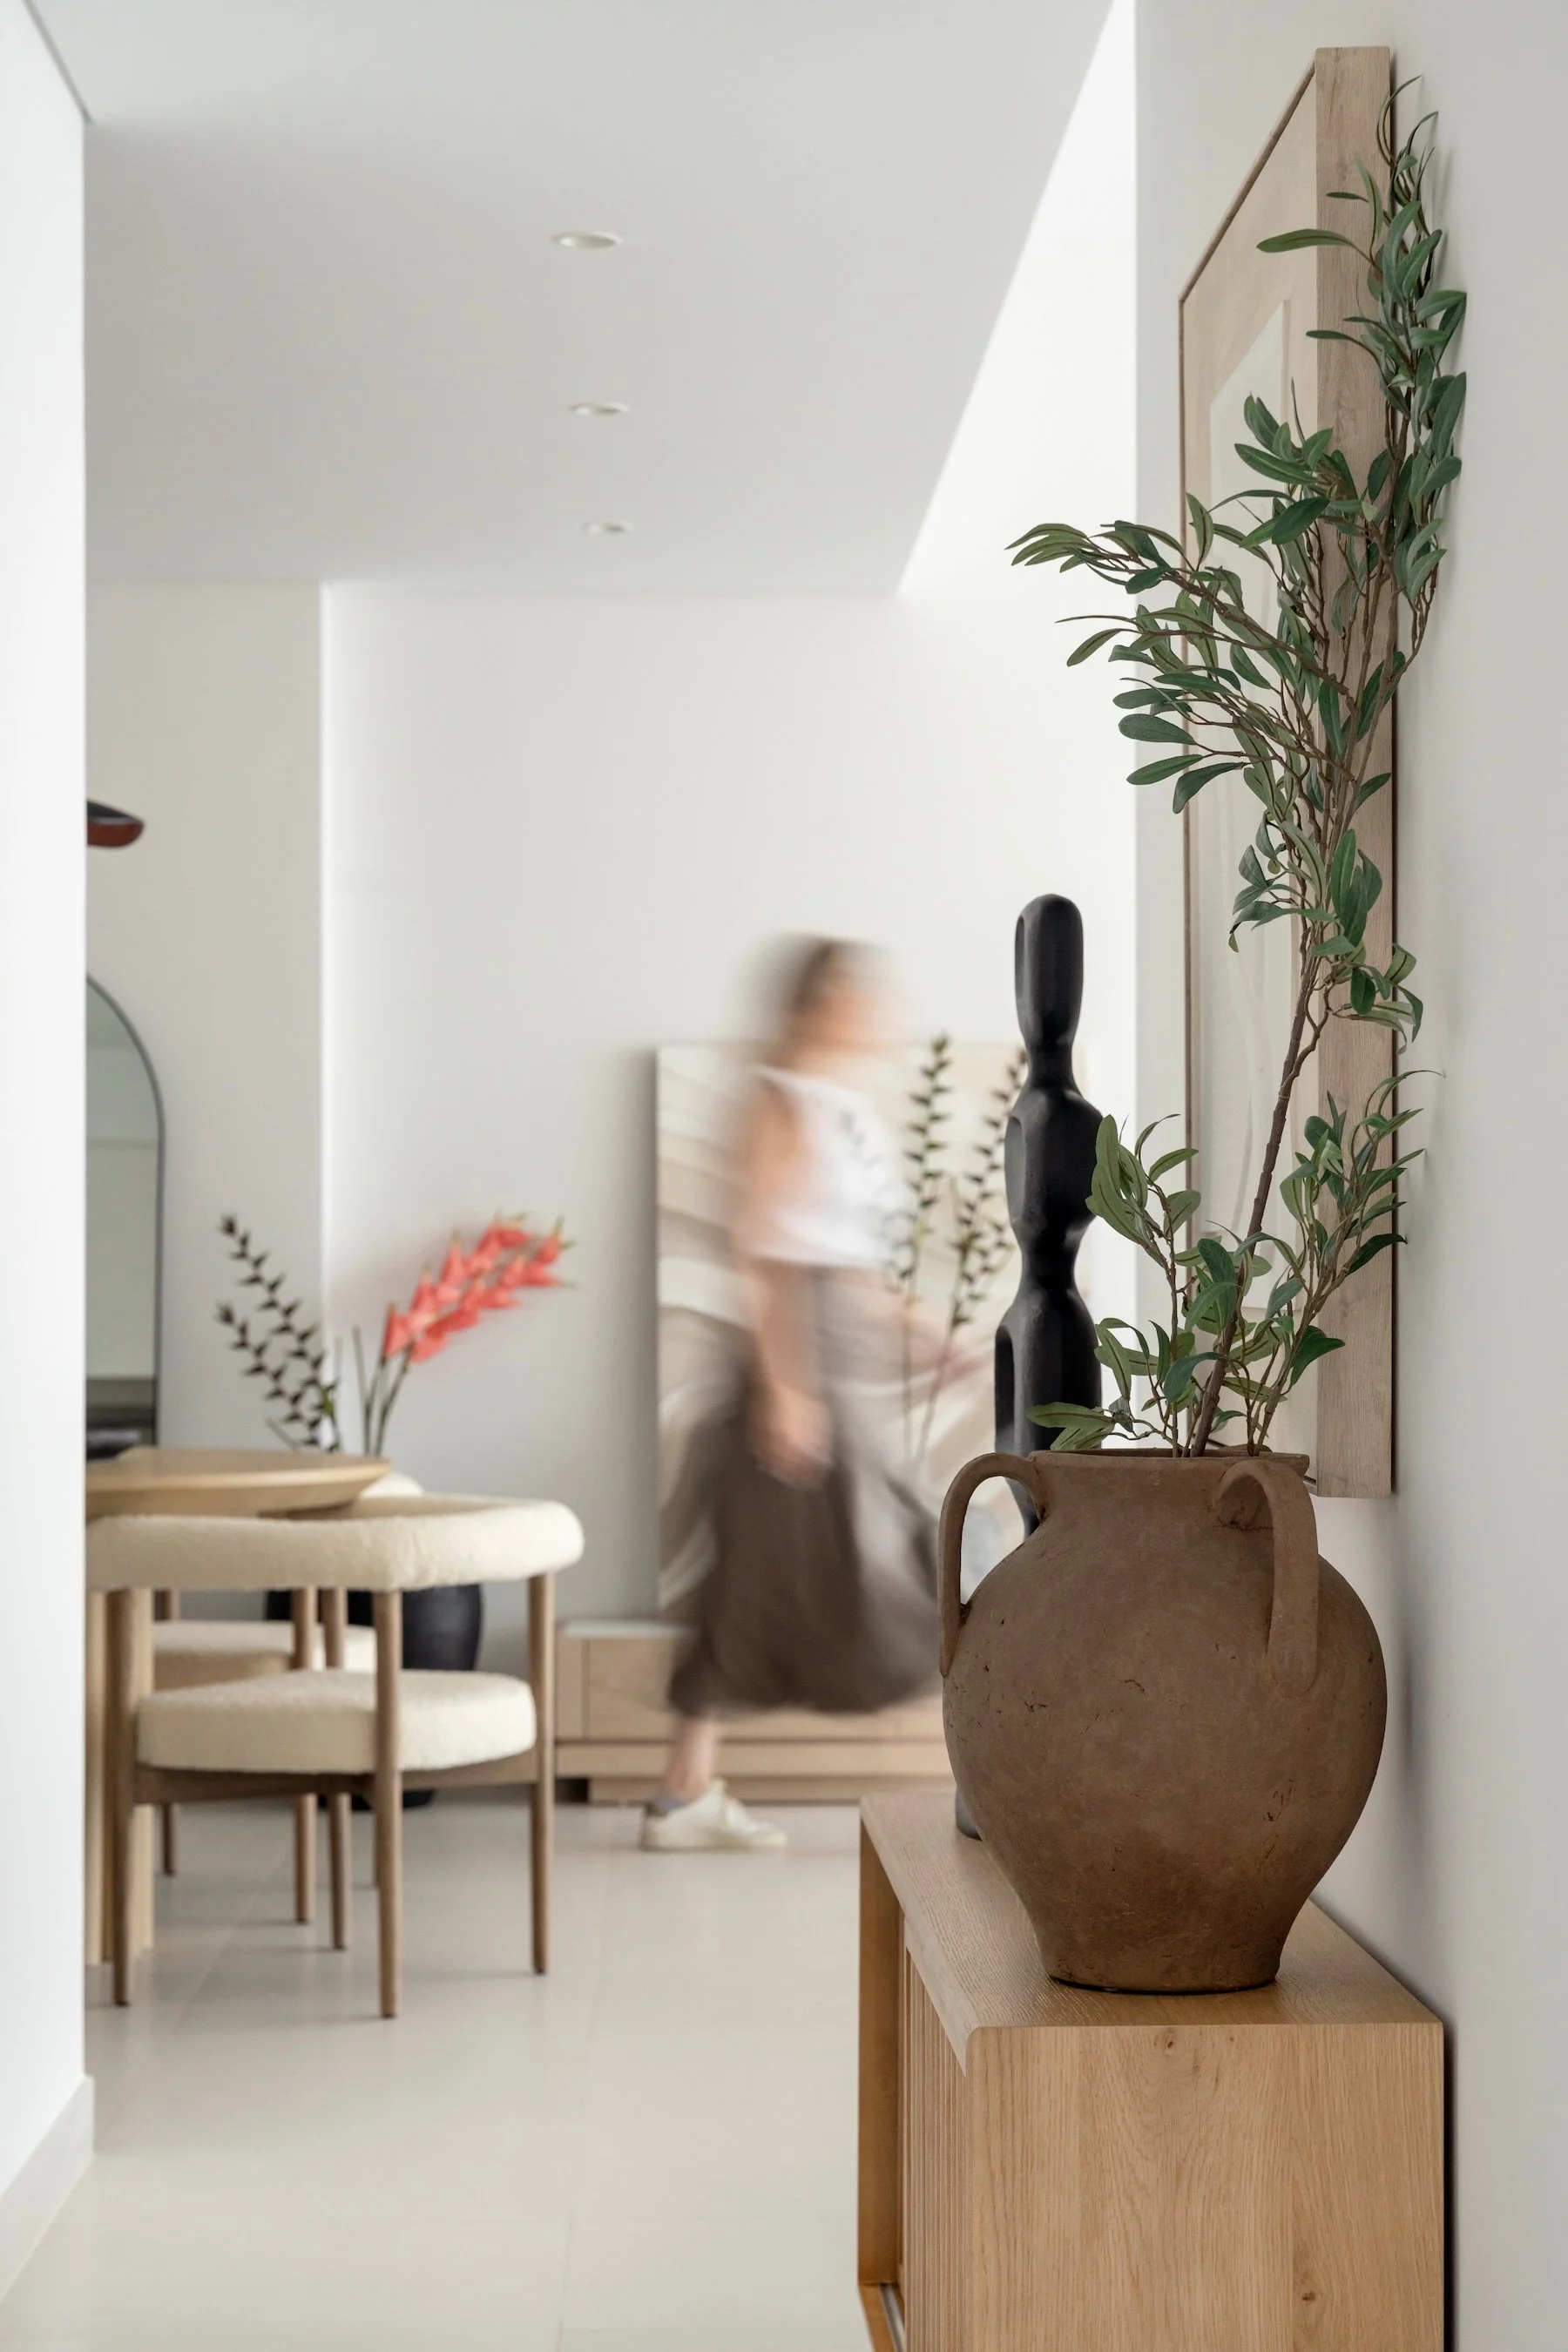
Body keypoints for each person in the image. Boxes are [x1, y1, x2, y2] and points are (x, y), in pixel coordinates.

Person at [642, 939, 940, 1852]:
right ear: (821, 1003)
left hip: (836, 1359)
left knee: (757, 1579)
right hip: (799, 1365)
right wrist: (786, 1391)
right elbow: (763, 1257)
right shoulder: (776, 1103)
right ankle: (993, 1772)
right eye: (861, 993)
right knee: (906, 1554)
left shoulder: (843, 1111)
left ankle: (681, 1793)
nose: (878, 1009)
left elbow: (849, 1266)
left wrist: (936, 1343)